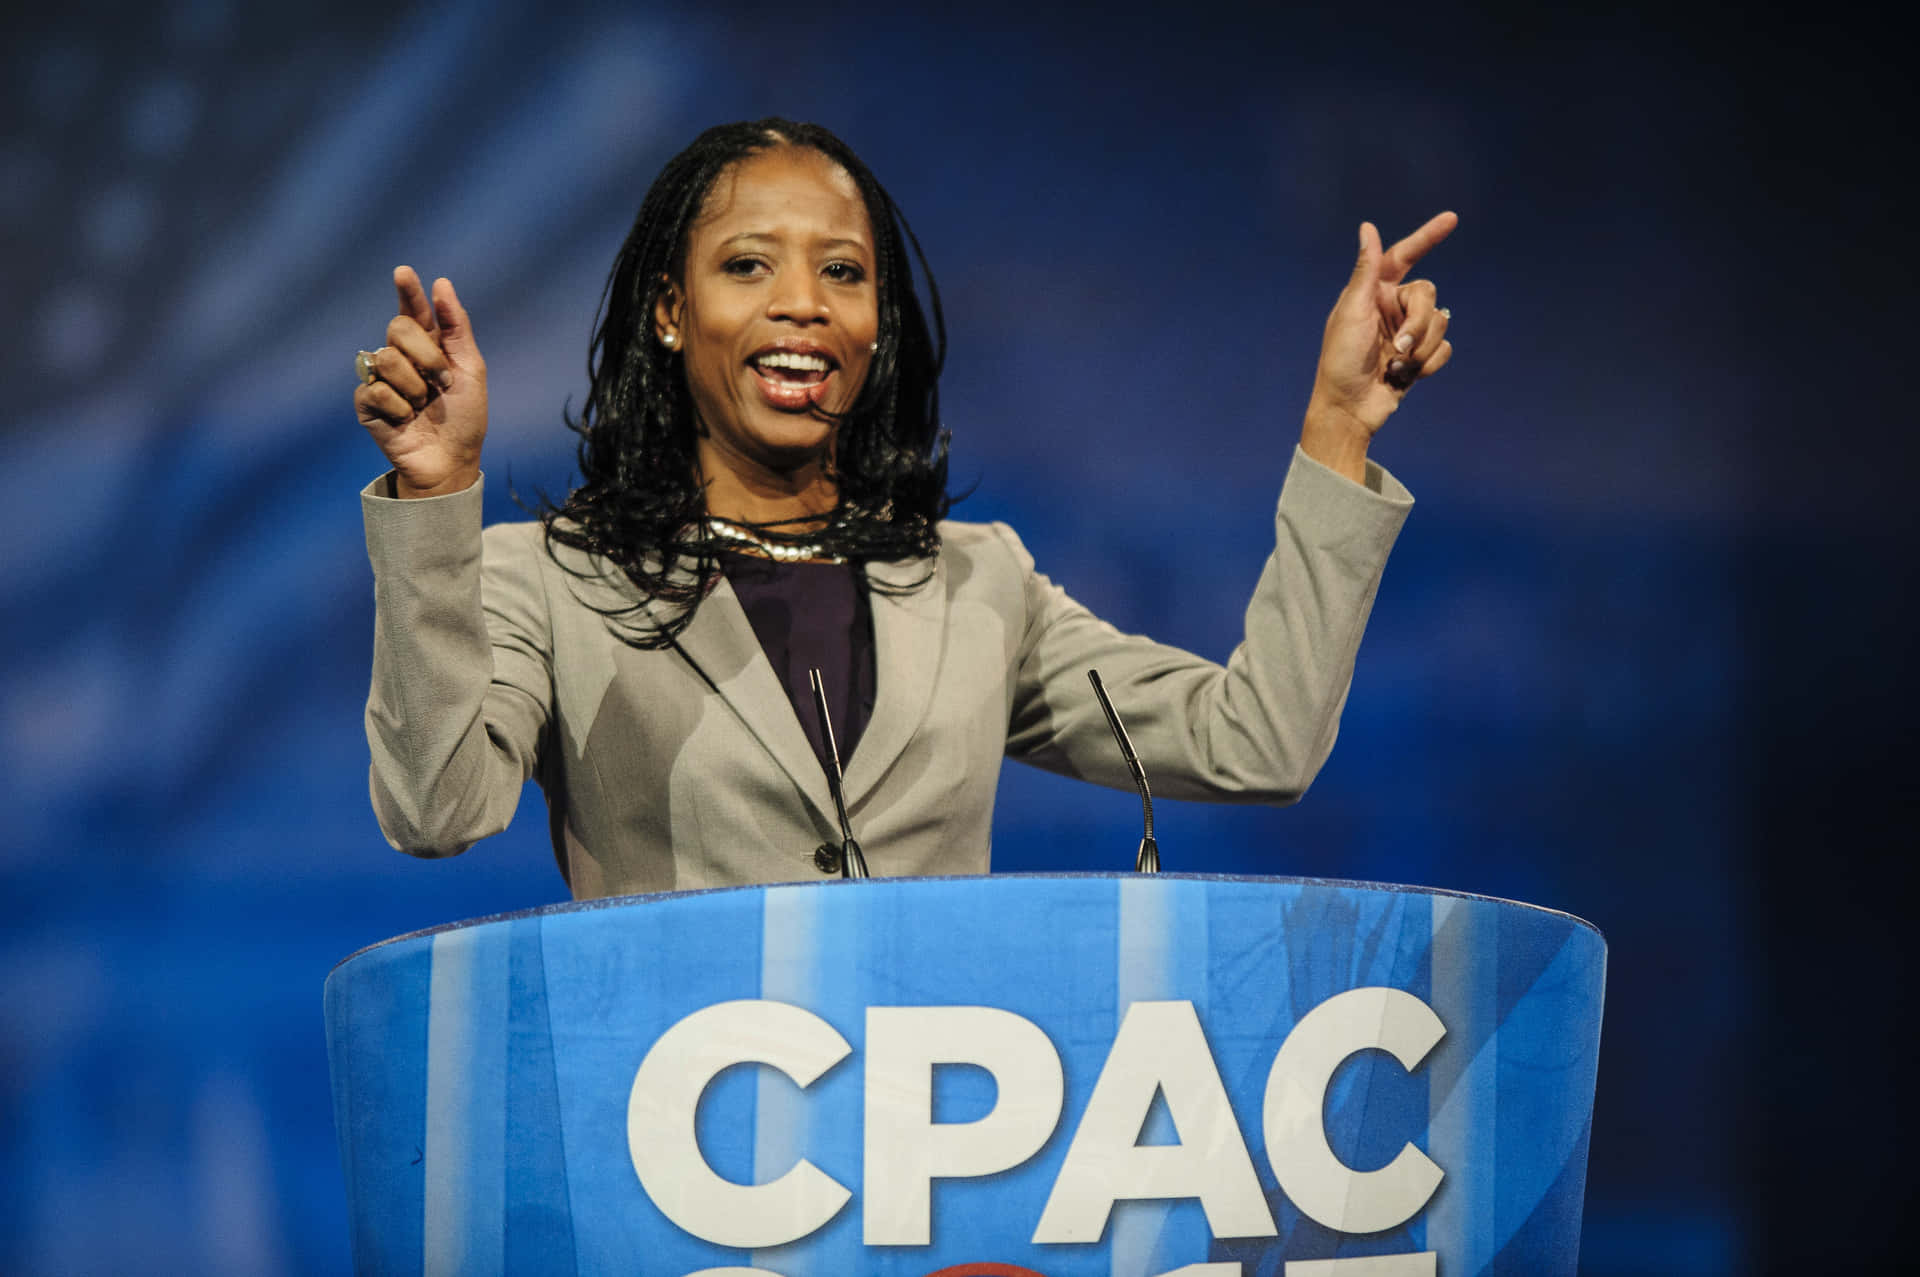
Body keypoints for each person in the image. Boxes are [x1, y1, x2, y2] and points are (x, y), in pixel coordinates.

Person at [353, 118, 1454, 899]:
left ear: (879, 323)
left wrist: (1338, 431)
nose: (802, 304)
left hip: (938, 1183)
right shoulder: (551, 576)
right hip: (676, 1191)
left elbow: (1255, 741)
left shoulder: (978, 581)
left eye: (843, 271)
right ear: (672, 312)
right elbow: (436, 809)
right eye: (748, 265)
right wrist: (439, 494)